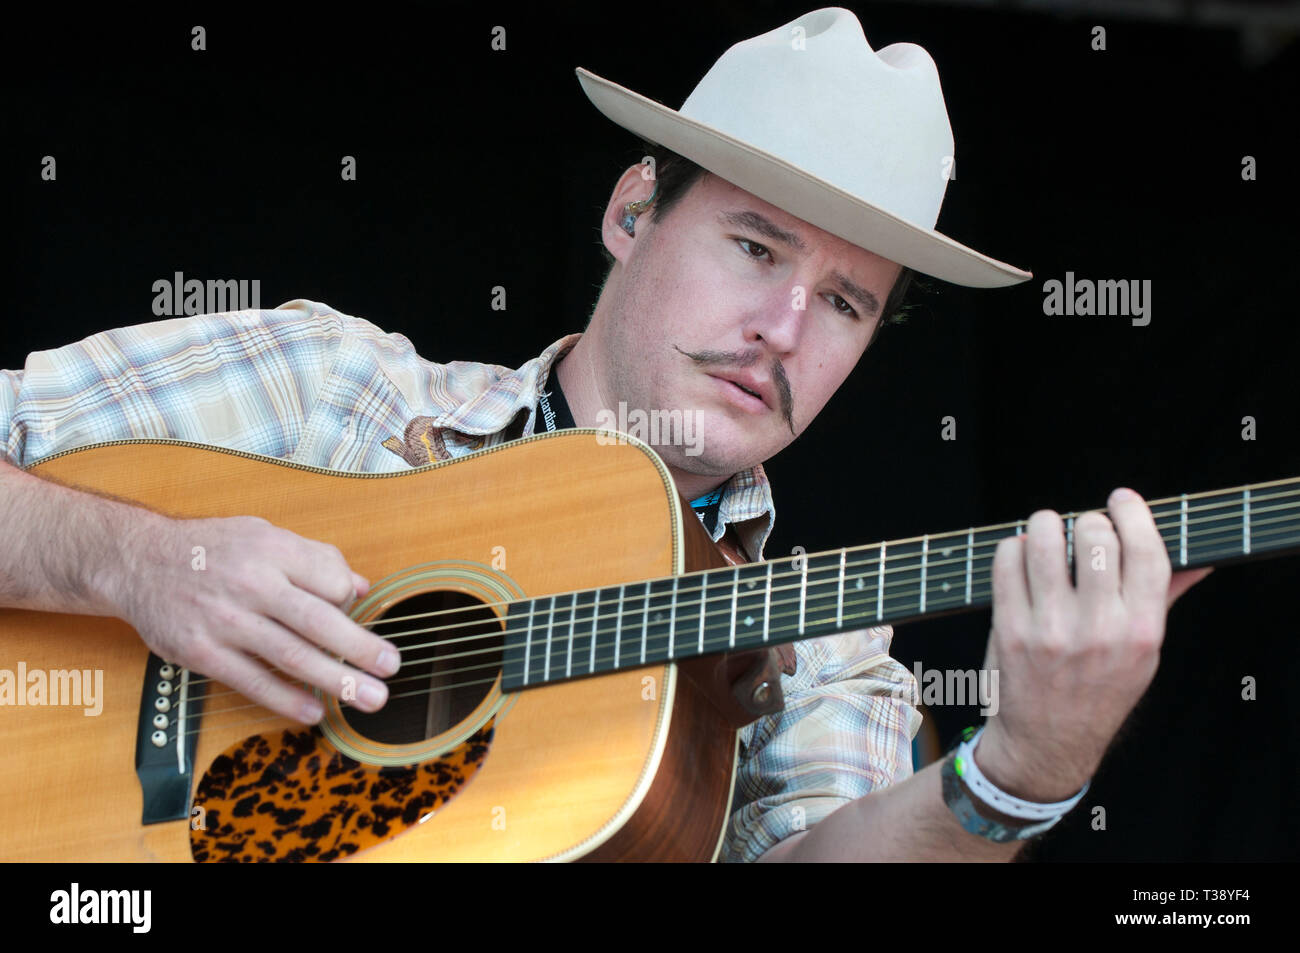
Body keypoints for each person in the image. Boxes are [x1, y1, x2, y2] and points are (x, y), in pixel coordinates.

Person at [0, 8, 1209, 862]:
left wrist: (1024, 770)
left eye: (844, 302)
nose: (783, 328)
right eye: (756, 246)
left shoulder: (825, 650)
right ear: (634, 210)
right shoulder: (321, 383)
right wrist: (133, 561)